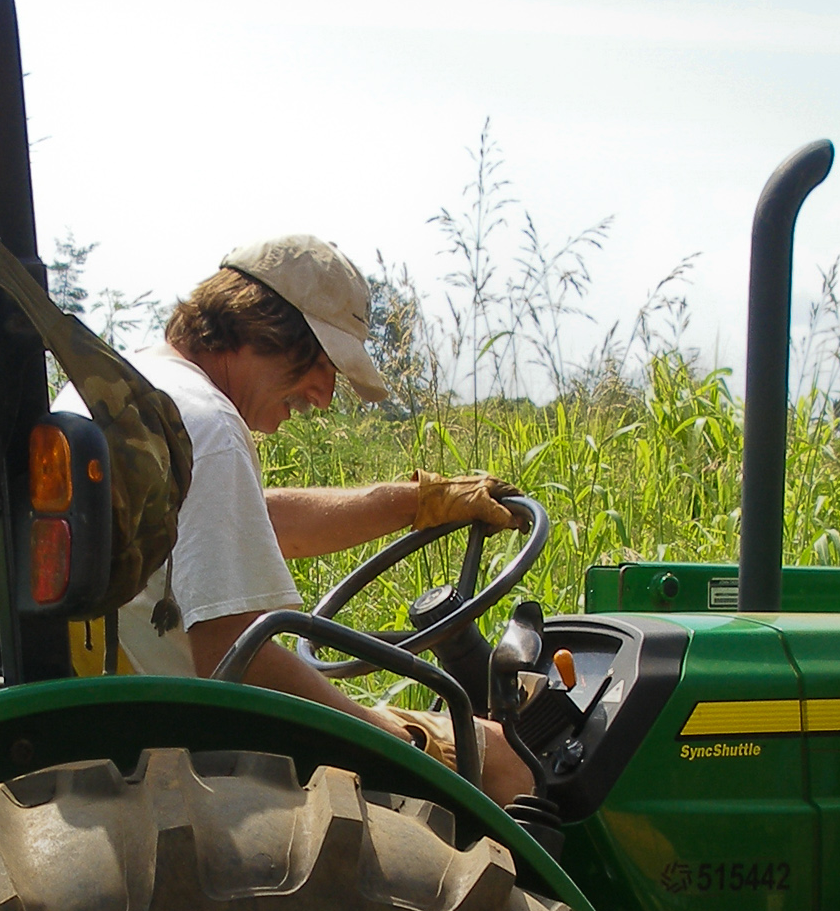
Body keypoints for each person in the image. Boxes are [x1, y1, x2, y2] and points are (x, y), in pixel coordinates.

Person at [68, 234, 539, 802]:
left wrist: (415, 503)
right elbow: (233, 653)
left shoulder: (119, 396)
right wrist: (385, 732)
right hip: (201, 751)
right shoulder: (209, 425)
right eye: (322, 362)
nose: (325, 394)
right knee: (504, 761)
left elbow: (241, 524)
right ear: (264, 326)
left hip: (121, 723)